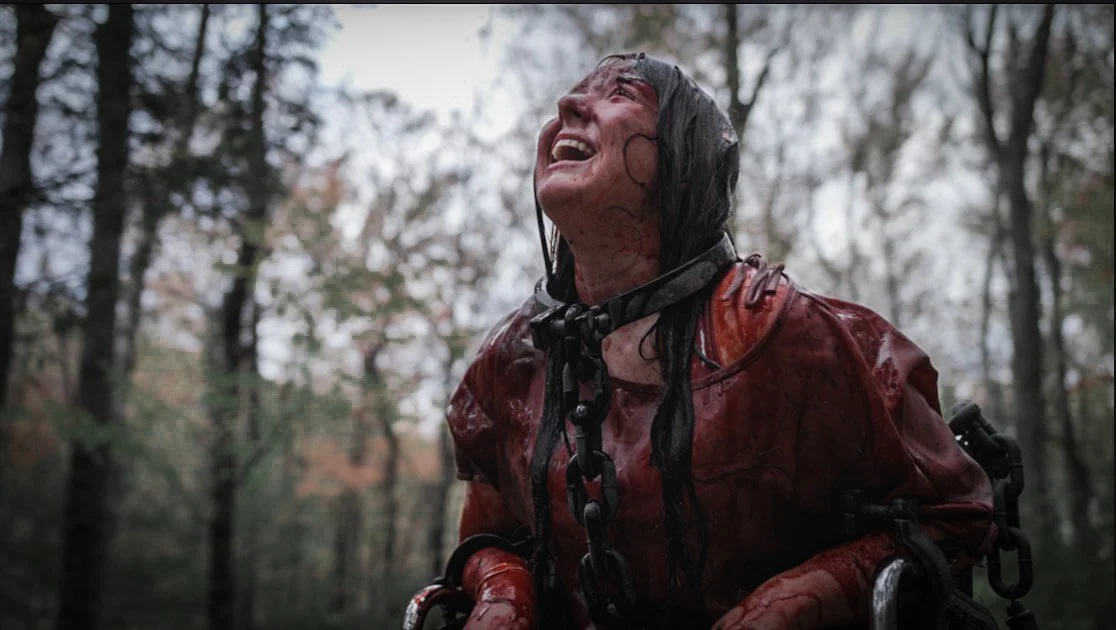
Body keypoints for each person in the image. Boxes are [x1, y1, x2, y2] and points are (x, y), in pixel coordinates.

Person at [442, 53, 994, 630]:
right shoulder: (510, 361)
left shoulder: (797, 338)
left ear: (684, 160)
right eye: (577, 92)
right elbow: (489, 539)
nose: (568, 104)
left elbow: (955, 517)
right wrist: (502, 590)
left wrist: (788, 607)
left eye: (621, 94)